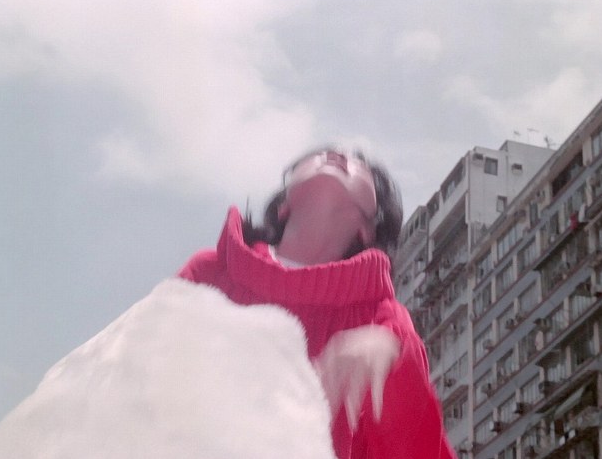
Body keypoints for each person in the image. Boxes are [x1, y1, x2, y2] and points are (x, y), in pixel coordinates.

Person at [178, 147, 456, 458]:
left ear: (367, 229)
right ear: (283, 206)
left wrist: (394, 369)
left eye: (361, 167)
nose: (339, 155)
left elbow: (422, 450)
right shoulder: (210, 273)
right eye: (321, 154)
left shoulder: (385, 324)